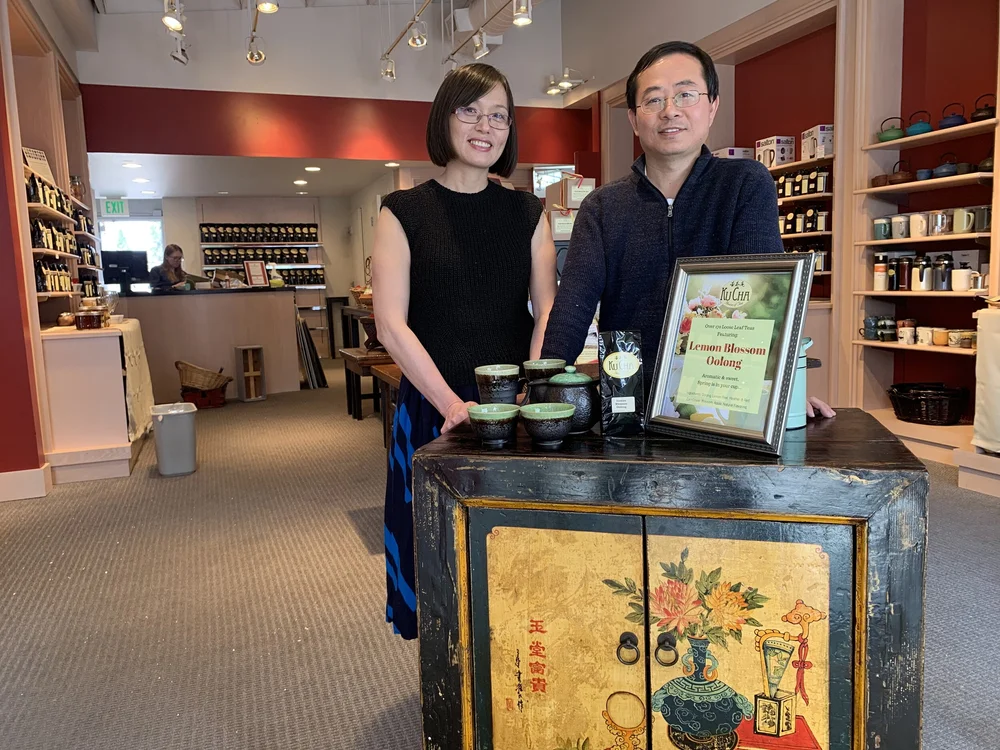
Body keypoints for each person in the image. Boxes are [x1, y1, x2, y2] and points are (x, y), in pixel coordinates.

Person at [541, 41, 834, 419]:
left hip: (721, 402)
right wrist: (541, 392)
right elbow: (571, 310)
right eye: (653, 100)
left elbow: (764, 301)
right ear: (634, 119)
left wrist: (782, 392)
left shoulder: (745, 184)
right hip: (628, 407)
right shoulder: (602, 207)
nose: (670, 111)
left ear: (712, 106)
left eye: (686, 94)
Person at [372, 63, 558, 640]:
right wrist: (451, 404)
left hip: (515, 410)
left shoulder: (529, 213)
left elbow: (546, 310)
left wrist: (530, 390)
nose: (485, 126)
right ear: (444, 119)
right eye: (470, 111)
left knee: (517, 560)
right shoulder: (402, 211)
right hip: (434, 409)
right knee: (436, 558)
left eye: (499, 115)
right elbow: (391, 324)